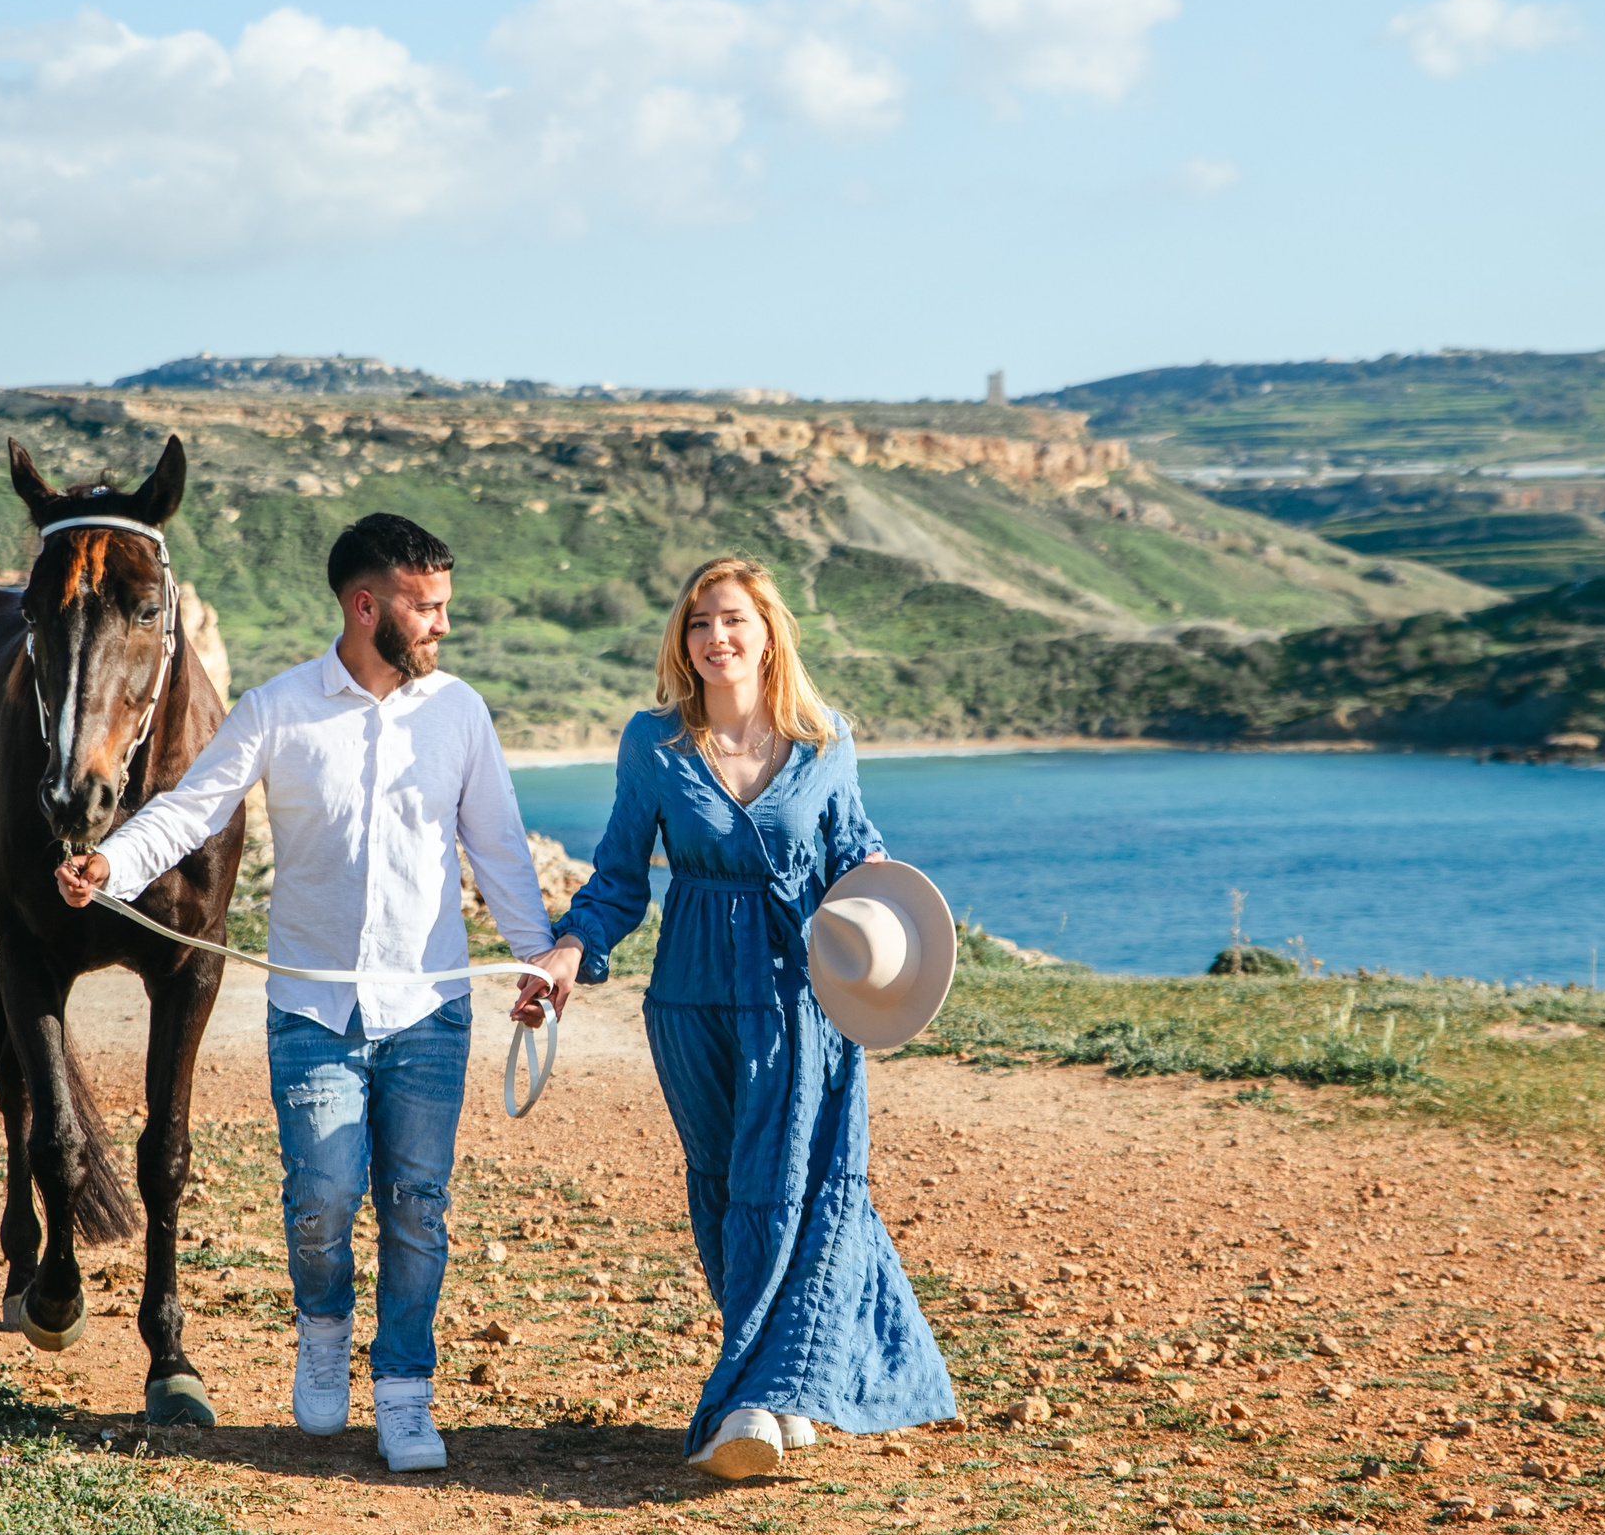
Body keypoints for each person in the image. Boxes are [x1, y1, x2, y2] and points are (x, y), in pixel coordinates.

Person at [58, 513, 577, 1473]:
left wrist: (543, 957)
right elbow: (190, 808)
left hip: (429, 1009)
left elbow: (499, 847)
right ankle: (325, 1333)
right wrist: (113, 862)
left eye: (445, 607)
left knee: (419, 1204)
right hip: (313, 1012)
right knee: (324, 1201)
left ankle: (408, 1391)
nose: (441, 627)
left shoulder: (459, 712)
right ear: (366, 604)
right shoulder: (278, 708)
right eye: (427, 609)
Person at [516, 556, 956, 1479]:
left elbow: (859, 856)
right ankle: (786, 1382)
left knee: (788, 1185)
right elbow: (620, 876)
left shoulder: (824, 739)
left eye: (733, 622)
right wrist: (567, 953)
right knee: (724, 1191)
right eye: (699, 624)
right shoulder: (655, 743)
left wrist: (894, 939)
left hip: (803, 1000)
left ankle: (752, 1398)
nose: (715, 638)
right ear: (684, 640)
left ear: (767, 634)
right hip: (689, 999)